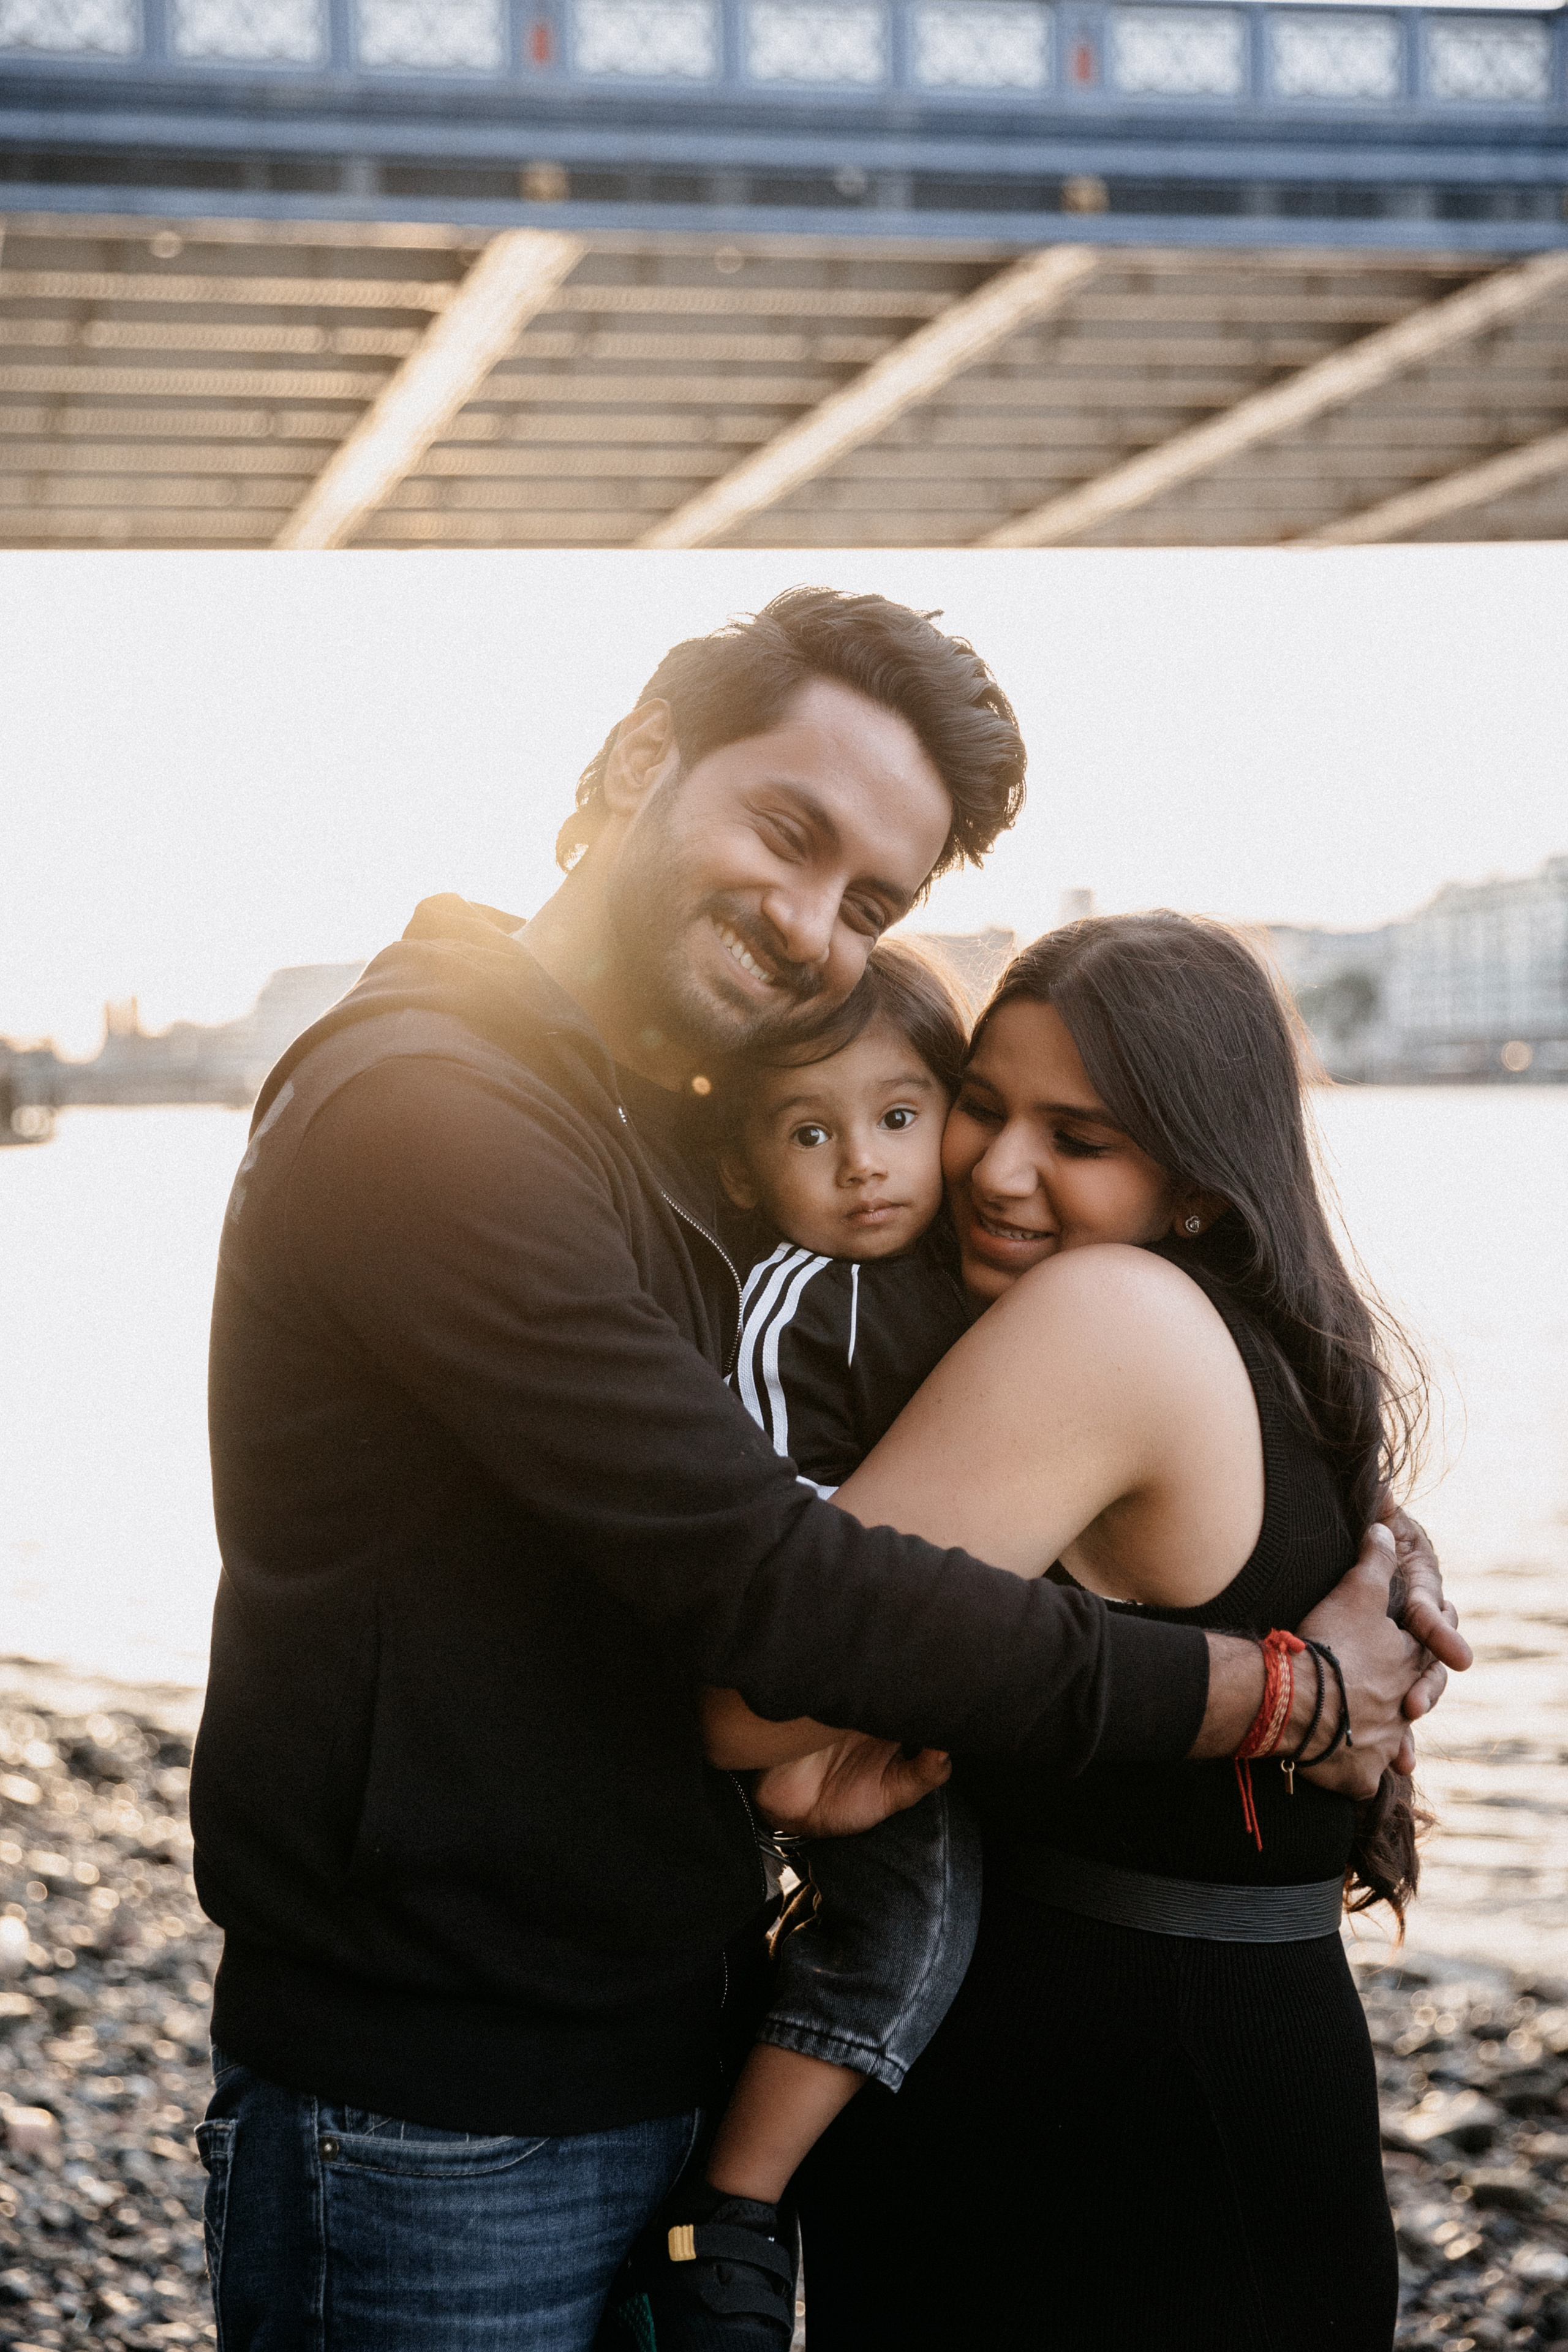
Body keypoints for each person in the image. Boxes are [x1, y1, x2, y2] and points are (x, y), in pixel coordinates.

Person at [190, 591, 1460, 2350]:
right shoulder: (436, 1113)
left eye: (871, 902)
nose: (811, 926)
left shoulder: (701, 1135)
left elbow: (936, 1414)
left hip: (663, 2042)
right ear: (644, 760)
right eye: (788, 835)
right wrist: (1270, 1694)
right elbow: (773, 1597)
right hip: (442, 2100)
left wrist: (1335, 1511)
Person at [715, 913, 1437, 2350]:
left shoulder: (1102, 1313)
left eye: (1078, 1137)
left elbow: (754, 1702)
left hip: (1092, 2118)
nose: (993, 1169)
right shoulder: (1284, 1346)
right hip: (1224, 2076)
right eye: (980, 1106)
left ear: (1191, 1181)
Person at [641, 941, 986, 2347]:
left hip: (902, 1675)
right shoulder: (798, 1294)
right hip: (830, 1692)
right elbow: (775, 1525)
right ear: (744, 1170)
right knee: (901, 1931)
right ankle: (726, 2213)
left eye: (899, 1119)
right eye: (811, 1132)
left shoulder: (948, 1270)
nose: (864, 1165)